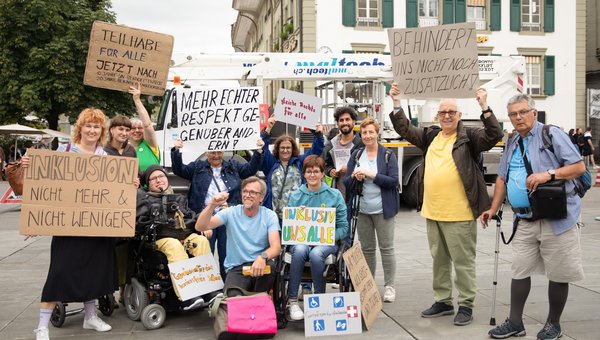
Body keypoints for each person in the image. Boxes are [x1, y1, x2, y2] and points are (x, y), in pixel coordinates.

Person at [389, 85, 503, 326]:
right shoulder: (431, 136)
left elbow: (494, 134)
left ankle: (466, 304)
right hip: (433, 211)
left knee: (463, 261)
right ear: (437, 116)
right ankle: (443, 300)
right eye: (443, 112)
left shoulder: (469, 137)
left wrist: (484, 105)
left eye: (452, 111)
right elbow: (404, 129)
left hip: (460, 213)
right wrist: (397, 102)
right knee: (439, 260)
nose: (447, 116)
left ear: (459, 115)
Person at [482, 94, 585, 340]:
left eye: (522, 112)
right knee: (519, 270)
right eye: (513, 114)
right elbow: (502, 178)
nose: (518, 117)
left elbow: (578, 167)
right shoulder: (512, 140)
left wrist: (547, 174)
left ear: (533, 113)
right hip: (525, 218)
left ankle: (553, 324)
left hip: (557, 218)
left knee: (558, 273)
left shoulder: (552, 134)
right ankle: (515, 322)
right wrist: (493, 208)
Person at [22, 108, 119, 340]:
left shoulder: (106, 158)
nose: (92, 130)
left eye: (97, 126)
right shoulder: (64, 152)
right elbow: (44, 185)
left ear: (102, 131)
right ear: (80, 128)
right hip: (68, 227)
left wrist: (130, 182)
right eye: (88, 126)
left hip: (96, 226)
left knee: (93, 273)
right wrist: (30, 166)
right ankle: (42, 326)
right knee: (59, 273)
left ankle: (90, 317)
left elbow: (115, 191)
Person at [171, 139, 264, 279]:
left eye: (219, 152)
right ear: (206, 152)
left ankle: (227, 287)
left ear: (224, 152)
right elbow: (179, 170)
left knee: (227, 255)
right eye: (212, 152)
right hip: (204, 217)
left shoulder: (233, 166)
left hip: (227, 218)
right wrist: (176, 151)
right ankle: (206, 289)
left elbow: (251, 169)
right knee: (203, 255)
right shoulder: (198, 166)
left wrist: (258, 151)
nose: (216, 155)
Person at [136, 164, 218, 310]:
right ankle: (187, 296)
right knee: (174, 245)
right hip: (159, 239)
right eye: (153, 178)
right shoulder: (145, 199)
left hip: (184, 235)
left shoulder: (178, 198)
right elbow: (140, 223)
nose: (158, 180)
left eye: (161, 176)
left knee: (201, 241)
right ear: (147, 183)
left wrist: (202, 228)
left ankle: (208, 290)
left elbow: (191, 218)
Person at [285, 155, 349, 321]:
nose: (312, 175)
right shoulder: (295, 196)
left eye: (316, 171)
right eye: (308, 172)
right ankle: (292, 301)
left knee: (316, 254)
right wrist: (296, 217)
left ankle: (318, 300)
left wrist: (328, 236)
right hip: (302, 240)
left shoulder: (334, 195)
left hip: (326, 243)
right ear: (304, 174)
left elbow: (343, 227)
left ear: (322, 174)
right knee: (299, 250)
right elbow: (290, 228)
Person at [343, 117, 400, 303]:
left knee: (387, 248)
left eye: (371, 132)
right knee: (367, 249)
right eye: (364, 132)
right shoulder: (357, 154)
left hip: (383, 210)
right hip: (362, 209)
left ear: (377, 134)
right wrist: (355, 178)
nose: (367, 136)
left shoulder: (388, 155)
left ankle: (390, 286)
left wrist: (371, 175)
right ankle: (369, 285)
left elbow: (393, 182)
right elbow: (346, 182)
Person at [195, 176, 281, 295]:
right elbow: (200, 227)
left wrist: (263, 257)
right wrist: (212, 204)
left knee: (264, 283)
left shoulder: (269, 215)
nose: (247, 195)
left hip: (261, 263)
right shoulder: (231, 212)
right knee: (233, 297)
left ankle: (260, 302)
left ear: (261, 197)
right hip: (237, 267)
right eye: (245, 191)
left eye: (252, 192)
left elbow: (276, 247)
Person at [260, 116, 324, 219]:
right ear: (277, 149)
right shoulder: (271, 164)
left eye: (288, 147)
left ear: (293, 148)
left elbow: (315, 151)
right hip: (273, 216)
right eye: (282, 147)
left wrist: (318, 135)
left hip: (297, 216)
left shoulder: (300, 162)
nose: (285, 150)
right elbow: (262, 148)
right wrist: (268, 129)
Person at [104, 114, 138, 305]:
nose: (124, 133)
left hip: (127, 205)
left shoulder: (131, 151)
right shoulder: (103, 151)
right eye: (120, 129)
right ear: (112, 130)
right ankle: (108, 288)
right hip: (108, 206)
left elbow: (135, 175)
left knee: (126, 248)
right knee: (110, 250)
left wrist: (136, 180)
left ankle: (123, 291)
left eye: (127, 130)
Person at [323, 106, 363, 200]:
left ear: (353, 121)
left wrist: (350, 168)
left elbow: (369, 165)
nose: (344, 123)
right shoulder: (331, 145)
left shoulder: (361, 143)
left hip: (356, 195)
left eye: (347, 119)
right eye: (341, 120)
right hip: (338, 195)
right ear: (337, 123)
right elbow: (325, 164)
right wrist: (330, 171)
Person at [128, 82, 160, 172]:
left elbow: (148, 125)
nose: (137, 130)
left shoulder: (150, 145)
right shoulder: (124, 149)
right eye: (133, 128)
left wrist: (137, 100)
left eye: (140, 128)